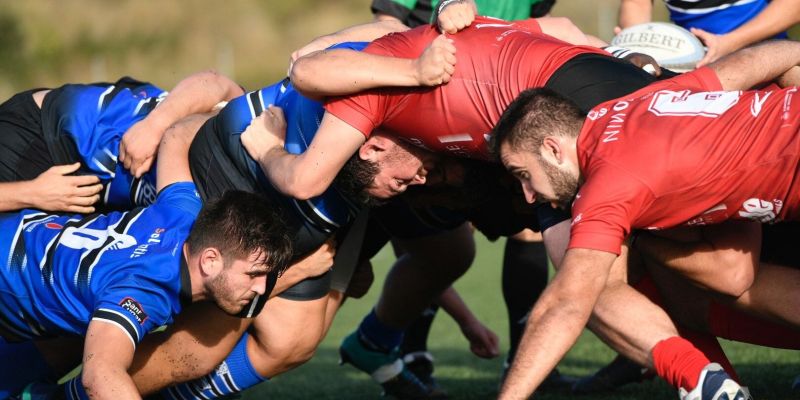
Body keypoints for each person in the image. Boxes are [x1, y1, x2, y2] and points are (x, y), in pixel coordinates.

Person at [493, 39, 800, 399]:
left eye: (523, 174)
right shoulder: (639, 103)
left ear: (552, 148)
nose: (529, 195)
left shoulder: (609, 184)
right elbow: (757, 58)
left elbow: (566, 305)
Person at [0, 119, 294, 398]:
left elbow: (177, 136)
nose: (260, 288)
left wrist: (226, 113)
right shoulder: (144, 291)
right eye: (253, 274)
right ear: (210, 260)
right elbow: (100, 376)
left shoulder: (183, 212)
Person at [617, 0, 800, 67]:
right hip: (691, 62)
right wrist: (635, 41)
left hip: (768, 55)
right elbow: (636, 4)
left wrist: (731, 42)